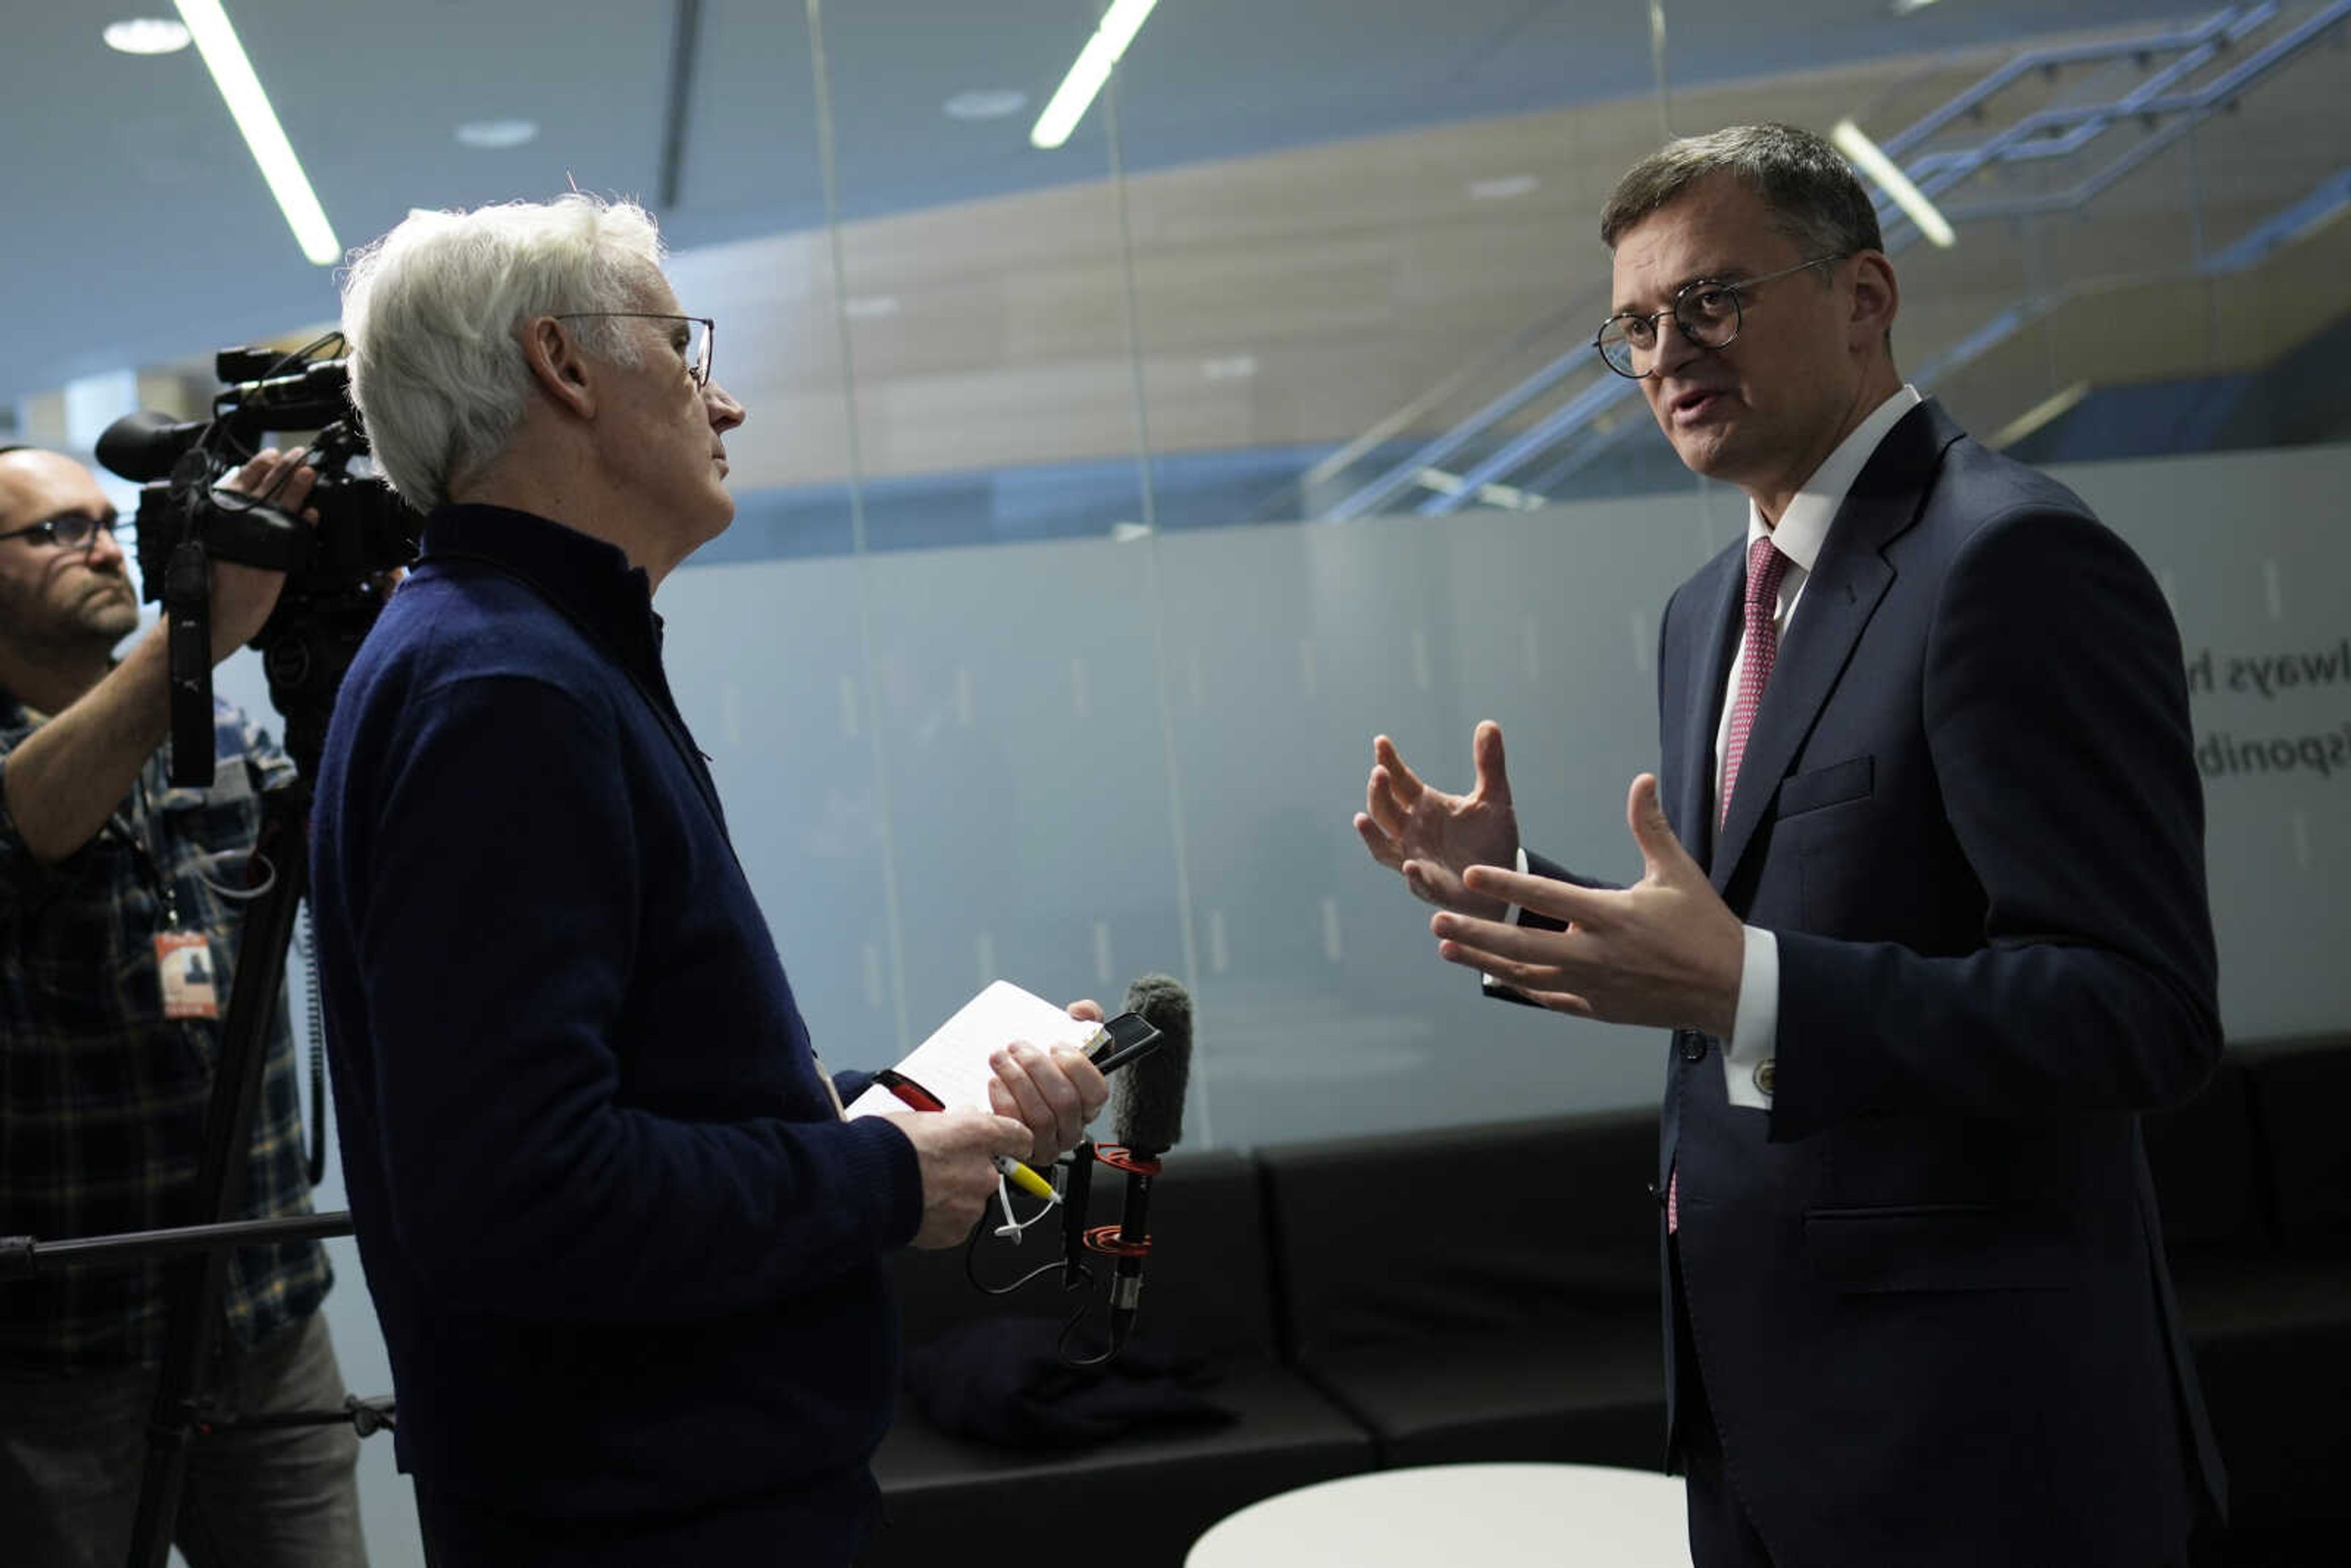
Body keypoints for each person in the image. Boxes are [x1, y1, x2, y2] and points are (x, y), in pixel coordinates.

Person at [1354, 124, 2224, 1567]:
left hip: (1976, 1436)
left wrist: (1751, 987)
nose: (1668, 353)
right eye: (1635, 327)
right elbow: (1743, 935)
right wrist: (1526, 897)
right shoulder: (1712, 606)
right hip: (1759, 1404)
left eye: (1712, 300)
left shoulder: (2010, 560)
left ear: (1866, 298)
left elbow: (2139, 1013)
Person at [308, 194, 1109, 1568]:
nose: (723, 402)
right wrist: (878, 1178)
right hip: (649, 1520)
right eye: (685, 349)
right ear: (562, 365)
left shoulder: (512, 653)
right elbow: (523, 1195)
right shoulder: (506, 688)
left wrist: (912, 1112)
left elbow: (631, 1094)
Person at [0, 444, 369, 1566]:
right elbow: (27, 826)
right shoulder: (146, 703)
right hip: (63, 1354)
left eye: (105, 520)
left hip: (262, 1313)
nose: (103, 545)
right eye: (53, 531)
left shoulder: (219, 742)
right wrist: (195, 627)